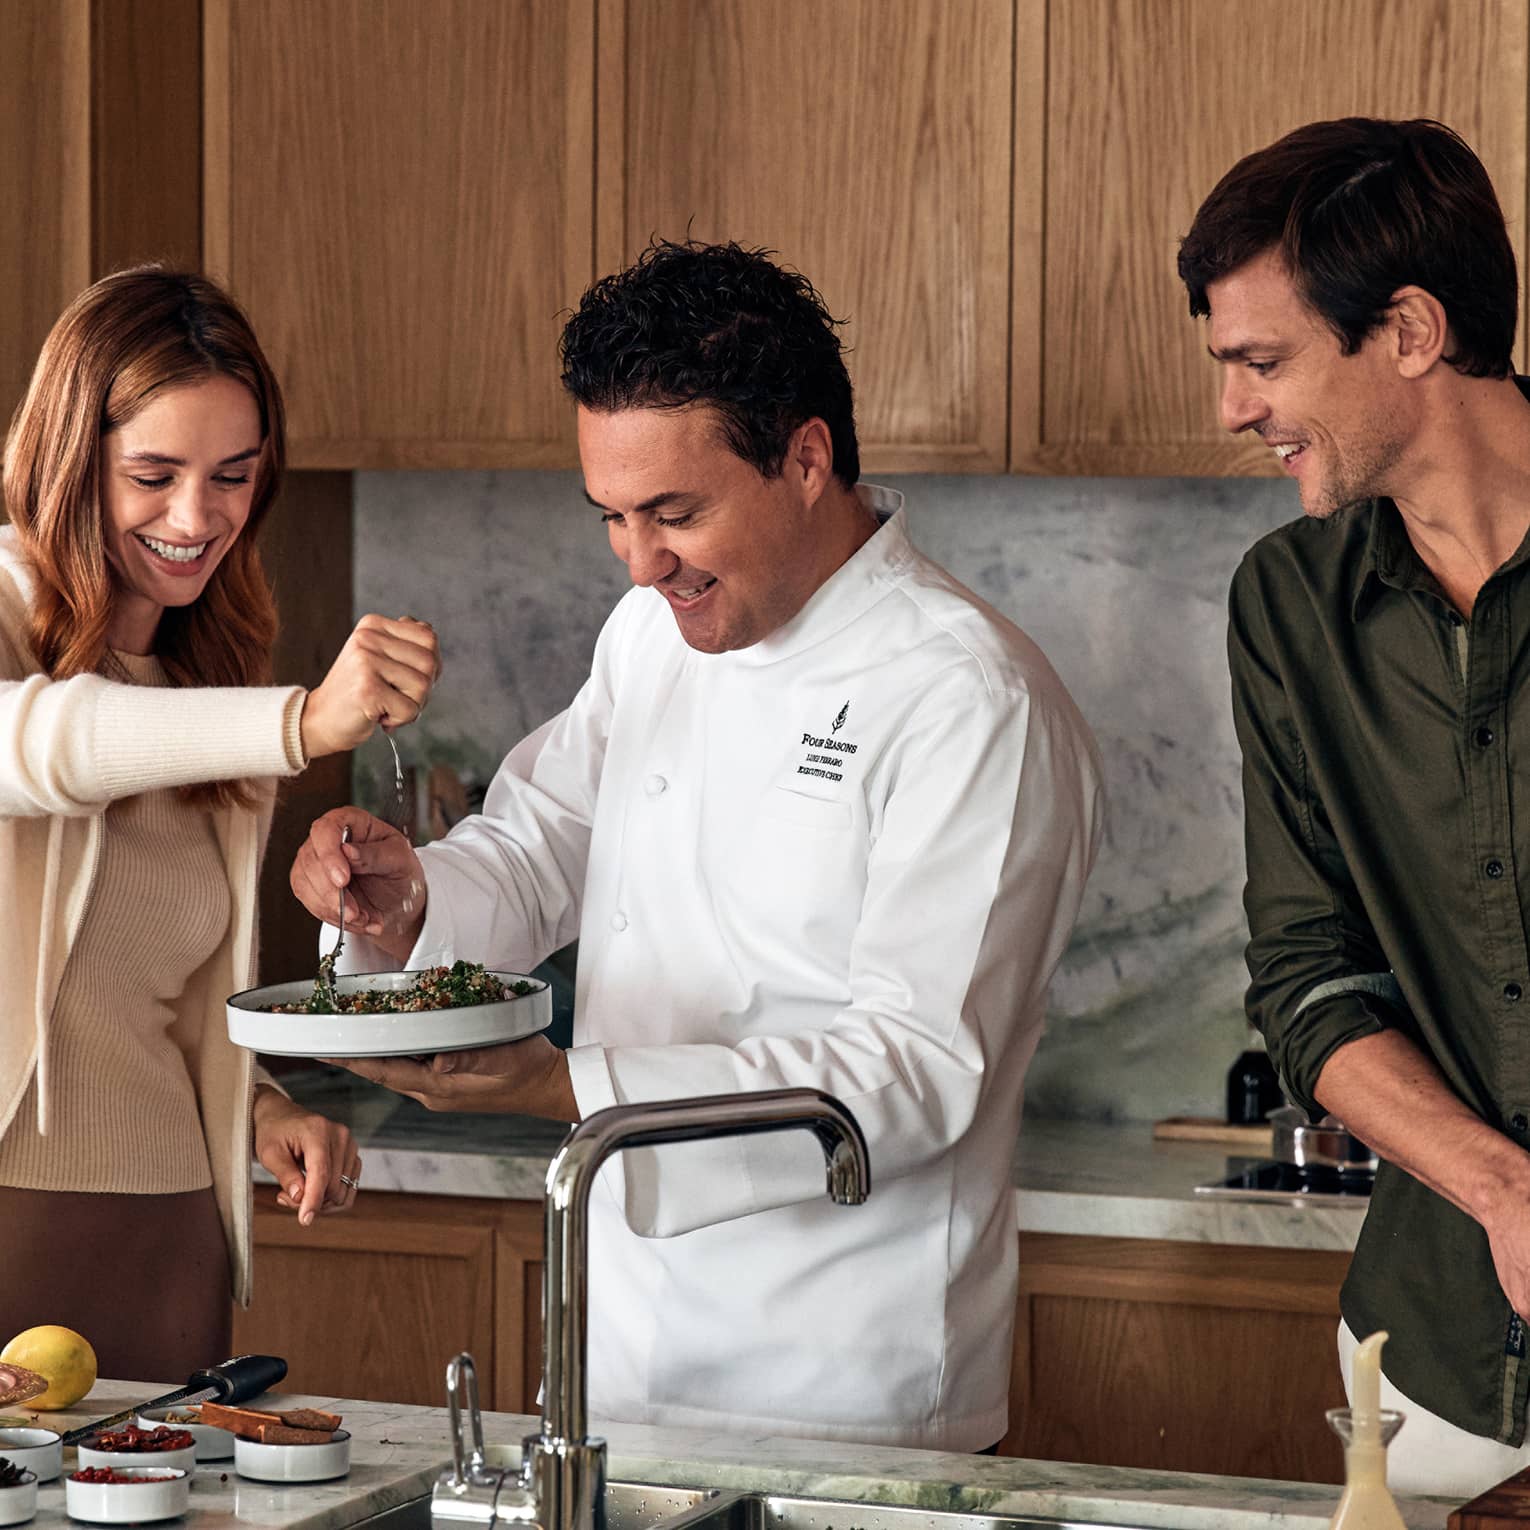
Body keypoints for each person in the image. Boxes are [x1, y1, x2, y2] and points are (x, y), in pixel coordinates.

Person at [289, 240, 1103, 1452]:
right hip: (620, 1352)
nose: (638, 559)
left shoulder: (969, 696)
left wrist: (571, 1089)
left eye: (675, 513)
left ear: (807, 458)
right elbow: (542, 842)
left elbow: (920, 1065)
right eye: (612, 516)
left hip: (847, 1386)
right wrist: (404, 904)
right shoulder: (653, 634)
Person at [0, 268, 440, 1379]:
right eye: (153, 474)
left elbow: (157, 992)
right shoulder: (12, 615)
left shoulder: (206, 666)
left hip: (169, 1228)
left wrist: (258, 1105)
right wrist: (301, 723)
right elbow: (41, 746)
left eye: (233, 477)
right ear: (70, 460)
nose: (197, 518)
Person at [1179, 117, 1530, 1497]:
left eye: (1262, 362)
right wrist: (1501, 1189)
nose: (1231, 411)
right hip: (1430, 1359)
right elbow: (1307, 977)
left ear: (1409, 330)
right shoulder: (1285, 608)